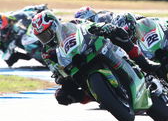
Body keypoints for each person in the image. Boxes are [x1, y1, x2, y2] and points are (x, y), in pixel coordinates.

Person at [32, 10, 160, 106]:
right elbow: (52, 66)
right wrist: (58, 73)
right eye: (41, 36)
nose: (45, 39)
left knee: (118, 33)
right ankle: (98, 96)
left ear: (54, 26)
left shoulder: (72, 24)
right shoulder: (46, 51)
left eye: (46, 33)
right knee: (62, 96)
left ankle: (144, 63)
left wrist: (103, 27)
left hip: (90, 49)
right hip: (74, 67)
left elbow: (88, 25)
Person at [74, 7, 168, 68]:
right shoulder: (86, 33)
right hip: (126, 51)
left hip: (146, 28)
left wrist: (128, 26)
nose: (89, 23)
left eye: (90, 19)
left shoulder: (104, 17)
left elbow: (126, 20)